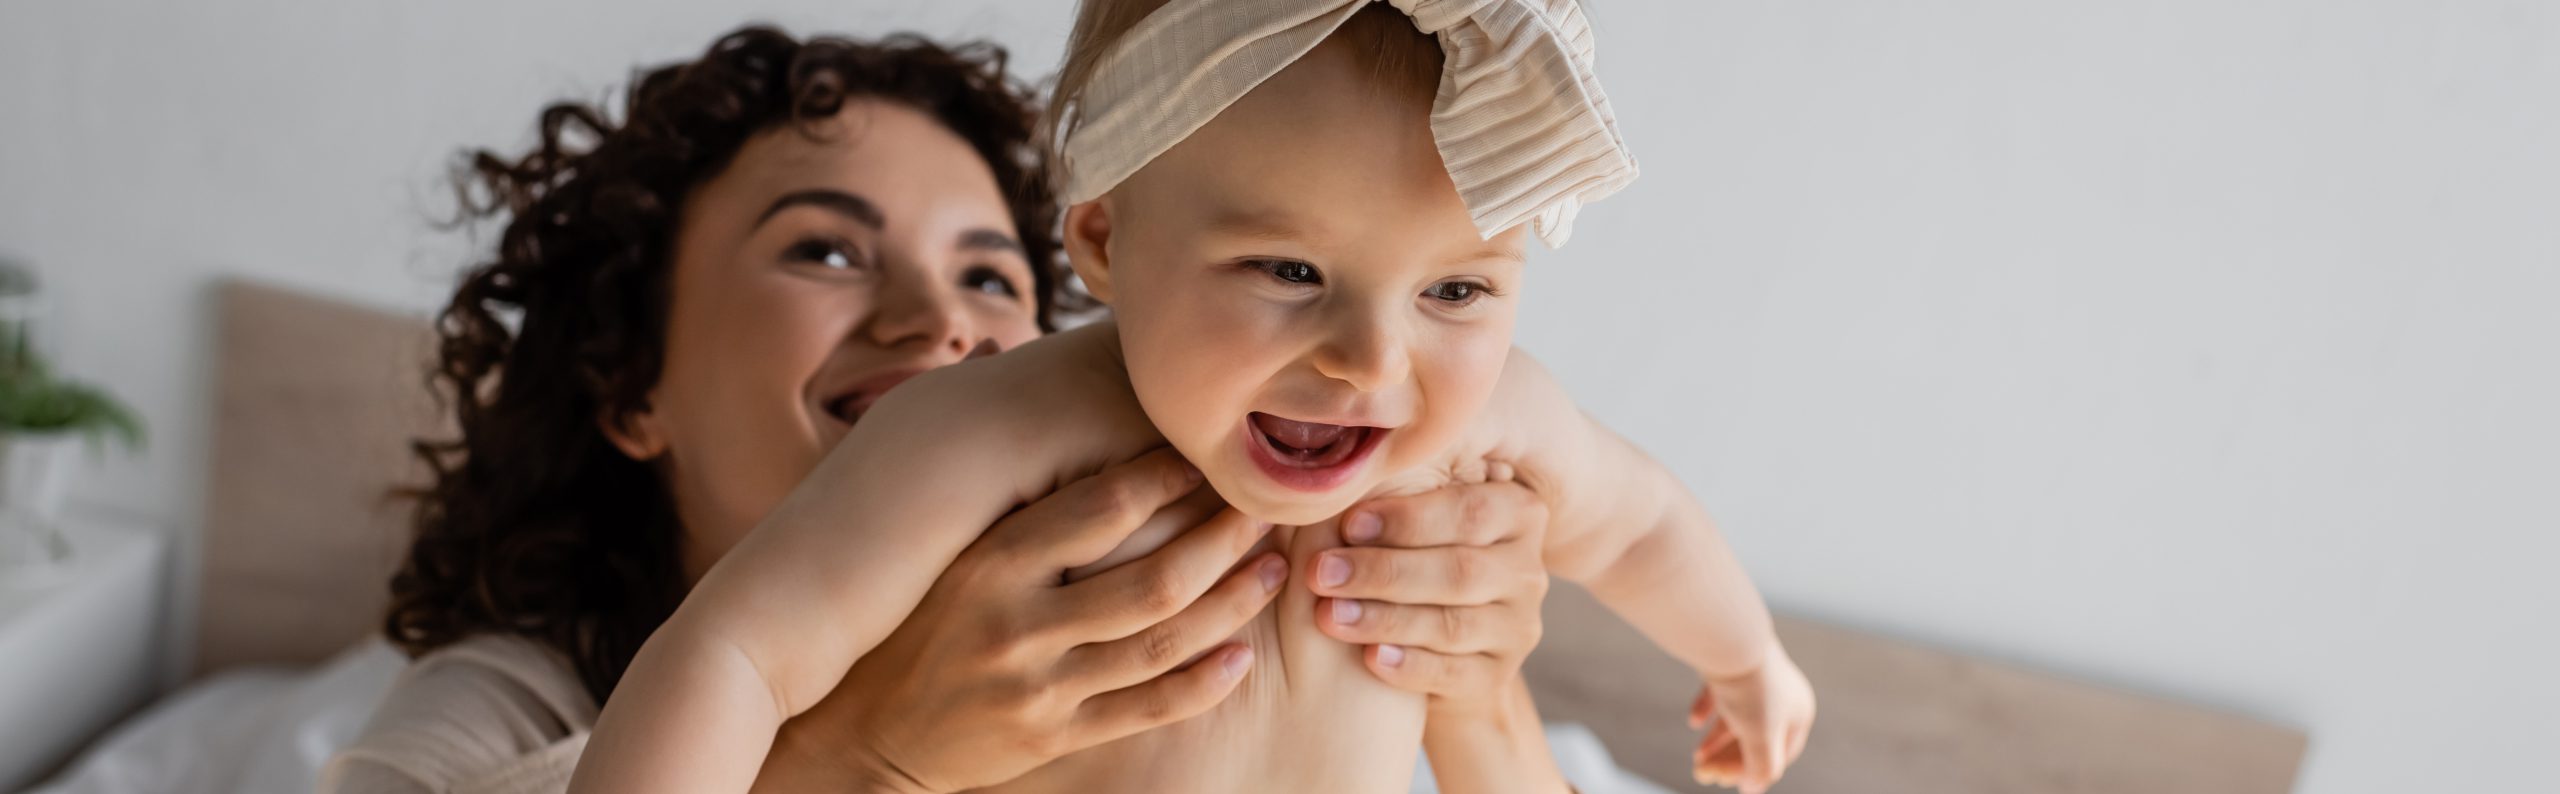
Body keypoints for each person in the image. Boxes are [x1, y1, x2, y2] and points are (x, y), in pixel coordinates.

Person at [576, 3, 1815, 794]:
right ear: (1106, 243)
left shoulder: (1490, 435)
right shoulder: (991, 431)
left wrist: (1745, 656)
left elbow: (1642, 522)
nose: (1367, 361)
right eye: (1289, 271)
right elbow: (738, 651)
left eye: (1454, 290)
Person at [323, 26, 1570, 794]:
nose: (942, 327)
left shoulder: (1196, 609)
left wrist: (1464, 676)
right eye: (824, 253)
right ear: (630, 383)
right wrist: (868, 760)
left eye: (989, 274)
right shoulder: (490, 719)